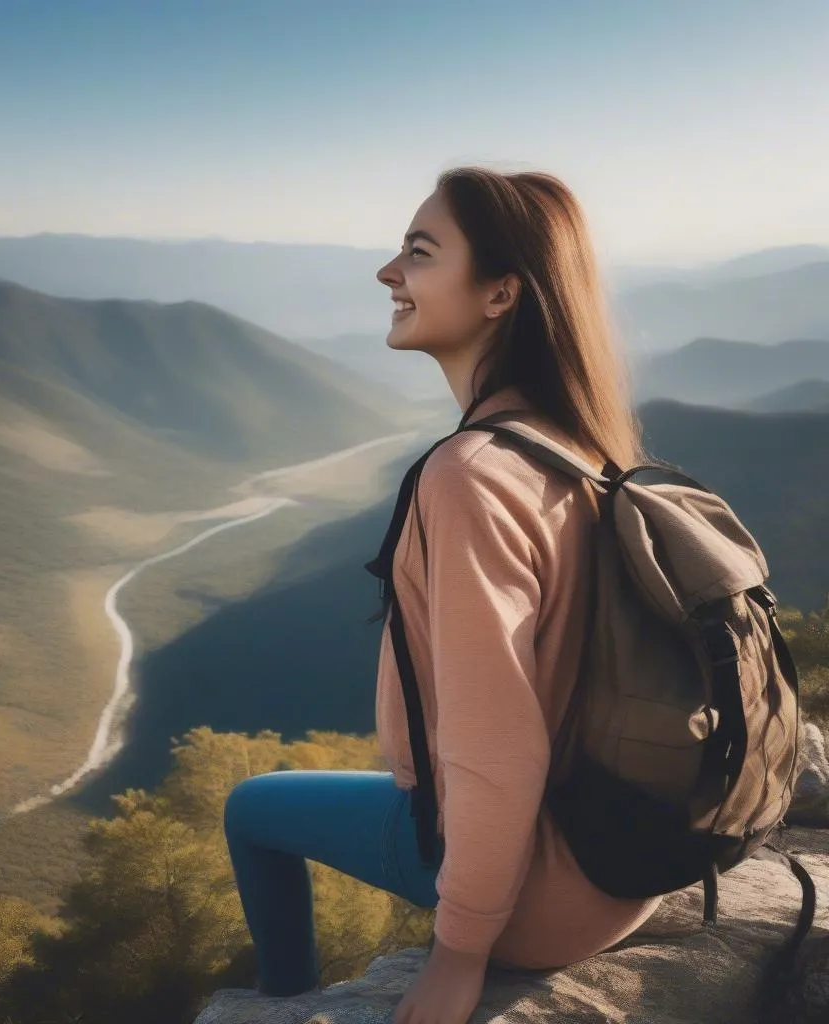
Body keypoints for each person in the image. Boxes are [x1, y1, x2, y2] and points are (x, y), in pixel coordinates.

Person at [222, 166, 664, 1024]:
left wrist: (458, 957)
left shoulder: (468, 477)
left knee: (251, 808)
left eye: (418, 254)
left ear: (501, 294)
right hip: (622, 866)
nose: (389, 274)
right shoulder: (579, 440)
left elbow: (496, 756)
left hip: (545, 898)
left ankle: (277, 1000)